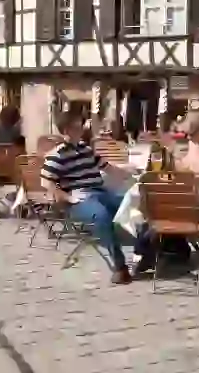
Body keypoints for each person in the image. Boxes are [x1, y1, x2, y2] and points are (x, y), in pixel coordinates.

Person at [40, 107, 151, 285]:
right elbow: (46, 183)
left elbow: (108, 168)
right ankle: (120, 267)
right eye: (78, 126)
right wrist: (69, 199)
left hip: (101, 192)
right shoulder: (56, 155)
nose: (82, 128)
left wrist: (133, 173)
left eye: (81, 125)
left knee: (137, 207)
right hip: (80, 199)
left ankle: (143, 256)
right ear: (67, 129)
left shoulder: (86, 149)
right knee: (103, 217)